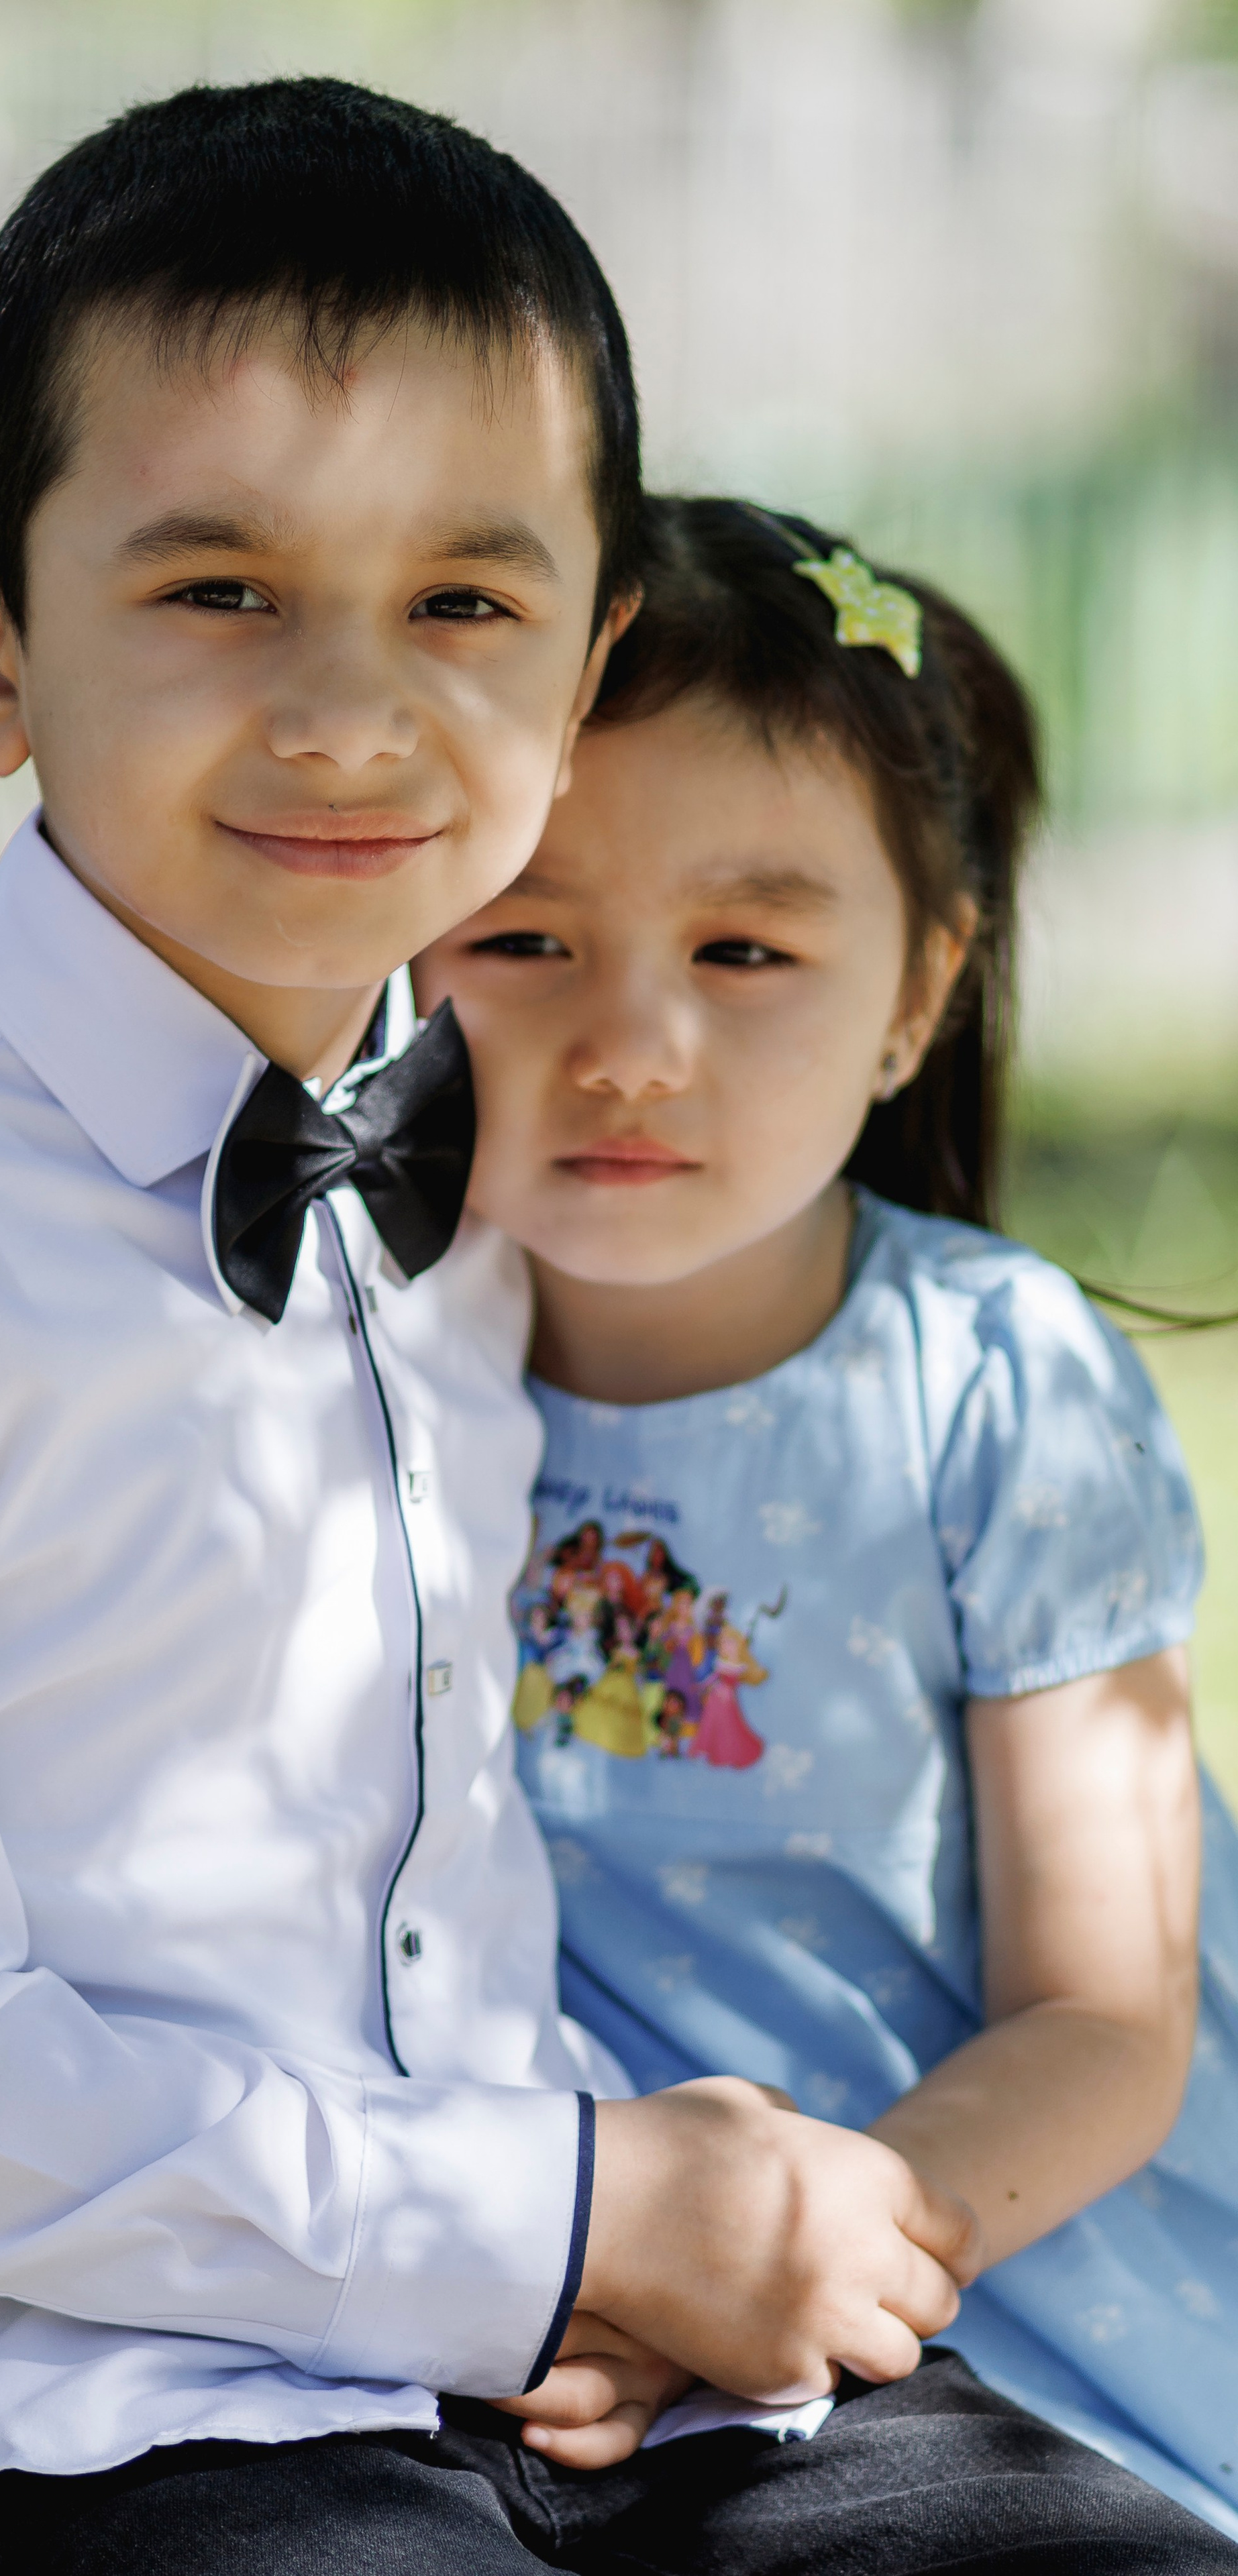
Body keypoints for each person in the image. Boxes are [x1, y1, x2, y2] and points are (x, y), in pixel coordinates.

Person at [0, 92, 998, 2576]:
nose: (354, 715)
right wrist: (563, 2212)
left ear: (592, 656)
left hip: (603, 2393)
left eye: (465, 603)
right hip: (59, 2427)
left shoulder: (519, 1158)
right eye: (219, 590)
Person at [417, 491, 1238, 2544]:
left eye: (747, 948)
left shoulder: (994, 1386)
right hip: (561, 2297)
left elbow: (1107, 2012)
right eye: (525, 936)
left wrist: (821, 2253)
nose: (630, 1043)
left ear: (915, 992)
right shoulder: (352, 1362)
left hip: (994, 2265)